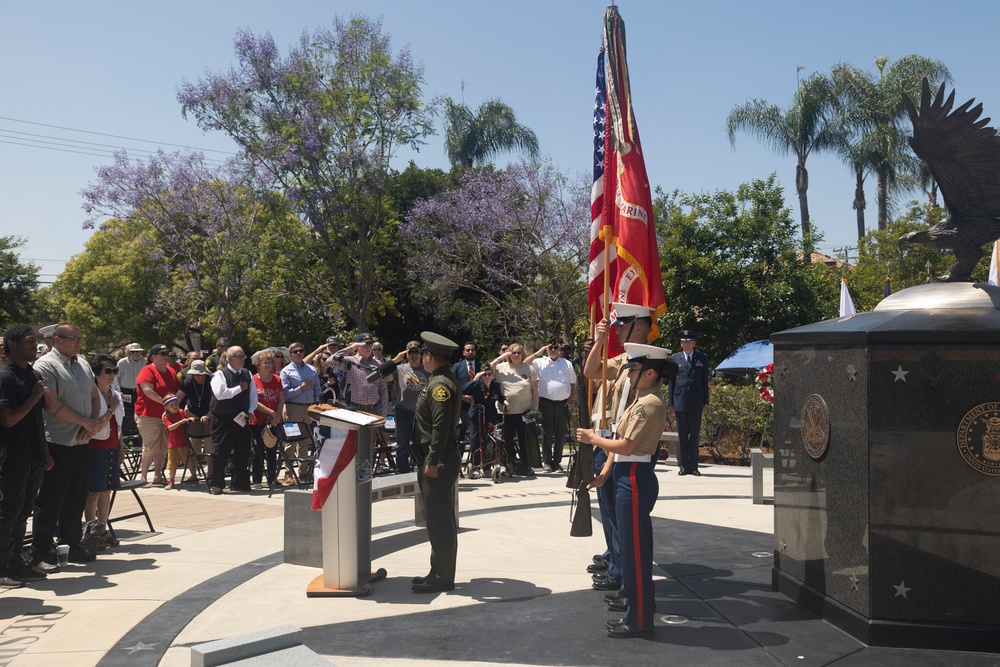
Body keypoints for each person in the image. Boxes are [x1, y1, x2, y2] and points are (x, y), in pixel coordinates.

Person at [578, 342, 674, 639]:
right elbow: (621, 444)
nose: (629, 375)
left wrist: (594, 438)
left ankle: (640, 619)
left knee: (635, 554)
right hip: (625, 473)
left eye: (634, 370)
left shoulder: (649, 404)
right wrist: (606, 472)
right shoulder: (640, 398)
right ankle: (638, 610)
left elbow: (627, 446)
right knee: (633, 552)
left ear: (649, 374)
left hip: (633, 477)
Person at [582, 302, 655, 594]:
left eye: (622, 327)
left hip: (620, 446)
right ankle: (618, 566)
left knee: (624, 518)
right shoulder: (624, 358)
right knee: (610, 512)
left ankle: (624, 575)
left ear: (638, 327)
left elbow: (627, 422)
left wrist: (609, 457)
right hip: (606, 442)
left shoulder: (648, 363)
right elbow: (591, 371)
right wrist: (598, 340)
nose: (618, 332)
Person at [32, 323, 100, 566]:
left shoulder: (82, 363)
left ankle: (72, 545)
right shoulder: (45, 365)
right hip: (57, 442)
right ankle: (41, 551)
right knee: (51, 500)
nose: (79, 343)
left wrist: (91, 423)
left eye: (81, 338)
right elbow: (50, 405)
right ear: (57, 339)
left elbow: (94, 394)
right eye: (74, 339)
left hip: (81, 441)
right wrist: (85, 421)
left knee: (76, 498)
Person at [0, 325, 53, 585]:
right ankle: (1, 568)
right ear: (12, 344)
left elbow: (36, 419)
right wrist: (35, 397)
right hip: (12, 458)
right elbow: (9, 420)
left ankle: (16, 563)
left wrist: (44, 452)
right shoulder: (5, 376)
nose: (35, 346)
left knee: (23, 512)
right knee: (9, 512)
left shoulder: (31, 375)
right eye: (30, 342)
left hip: (32, 456)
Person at [410, 332, 462, 593]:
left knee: (440, 521)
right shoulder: (439, 380)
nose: (422, 359)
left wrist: (431, 460)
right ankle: (437, 571)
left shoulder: (440, 385)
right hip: (438, 457)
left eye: (423, 355)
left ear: (429, 356)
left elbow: (440, 427)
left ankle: (442, 577)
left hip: (438, 459)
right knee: (438, 518)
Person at [84, 354, 124, 551]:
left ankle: (102, 530)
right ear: (96, 374)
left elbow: (119, 425)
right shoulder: (92, 395)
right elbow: (96, 427)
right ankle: (91, 533)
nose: (112, 375)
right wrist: (110, 409)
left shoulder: (115, 394)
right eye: (107, 371)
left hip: (112, 446)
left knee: (107, 490)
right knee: (94, 492)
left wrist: (121, 447)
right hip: (96, 447)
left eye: (114, 371)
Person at [208, 345, 257, 494]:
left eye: (243, 356)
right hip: (223, 419)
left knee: (243, 451)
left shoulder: (247, 373)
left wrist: (250, 411)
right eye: (238, 356)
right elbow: (220, 394)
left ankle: (240, 483)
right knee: (221, 452)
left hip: (241, 418)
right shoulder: (220, 375)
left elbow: (253, 396)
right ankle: (217, 484)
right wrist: (238, 389)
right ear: (229, 359)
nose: (241, 359)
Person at [490, 343, 539, 476]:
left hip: (524, 412)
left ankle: (526, 465)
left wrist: (536, 407)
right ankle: (509, 464)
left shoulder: (528, 368)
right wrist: (502, 357)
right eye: (513, 353)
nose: (516, 355)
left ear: (523, 354)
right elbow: (487, 369)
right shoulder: (500, 367)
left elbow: (535, 389)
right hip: (506, 412)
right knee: (507, 440)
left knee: (524, 441)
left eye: (519, 353)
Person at [134, 344, 179, 486]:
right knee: (150, 446)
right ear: (153, 356)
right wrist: (165, 403)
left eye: (167, 354)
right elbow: (148, 390)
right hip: (148, 415)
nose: (166, 356)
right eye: (162, 354)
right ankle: (143, 477)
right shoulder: (147, 370)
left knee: (163, 446)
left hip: (166, 416)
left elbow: (178, 389)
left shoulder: (171, 371)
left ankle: (158, 476)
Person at [669, 329, 710, 476]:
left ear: (694, 343)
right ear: (680, 344)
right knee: (682, 435)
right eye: (683, 342)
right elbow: (671, 382)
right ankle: (683, 466)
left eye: (689, 341)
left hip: (696, 401)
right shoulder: (675, 358)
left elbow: (705, 380)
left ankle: (694, 466)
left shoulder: (702, 358)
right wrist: (671, 403)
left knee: (694, 435)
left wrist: (706, 401)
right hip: (679, 401)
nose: (686, 344)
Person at [532, 340, 576, 472]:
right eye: (550, 348)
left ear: (559, 349)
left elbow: (573, 382)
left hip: (562, 404)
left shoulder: (566, 363)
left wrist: (570, 398)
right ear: (547, 349)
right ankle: (547, 462)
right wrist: (539, 351)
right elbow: (525, 362)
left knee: (560, 434)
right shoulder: (540, 362)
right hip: (545, 403)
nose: (553, 350)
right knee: (547, 434)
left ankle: (556, 462)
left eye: (555, 347)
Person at [280, 342, 320, 485]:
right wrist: (300, 388)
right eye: (295, 351)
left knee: (305, 442)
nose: (298, 353)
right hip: (293, 408)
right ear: (290, 354)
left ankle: (303, 472)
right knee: (291, 442)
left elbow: (317, 389)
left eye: (300, 350)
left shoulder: (311, 369)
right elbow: (284, 394)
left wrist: (316, 404)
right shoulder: (286, 371)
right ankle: (288, 473)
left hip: (309, 408)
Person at [389, 341, 429, 474]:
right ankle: (402, 472)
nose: (414, 355)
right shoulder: (399, 368)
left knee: (422, 444)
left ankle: (422, 472)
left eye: (416, 352)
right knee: (402, 445)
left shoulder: (427, 369)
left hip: (422, 412)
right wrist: (396, 359)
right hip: (403, 411)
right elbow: (384, 375)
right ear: (406, 354)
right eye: (411, 352)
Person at [329, 334, 388, 416]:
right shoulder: (349, 361)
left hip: (374, 409)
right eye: (364, 345)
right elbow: (330, 361)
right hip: (355, 409)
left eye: (370, 345)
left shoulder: (378, 364)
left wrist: (384, 411)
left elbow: (383, 388)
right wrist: (352, 347)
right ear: (358, 346)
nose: (368, 348)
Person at [463, 365, 504, 478]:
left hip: (490, 414)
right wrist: (475, 378)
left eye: (489, 374)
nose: (487, 377)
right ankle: (475, 466)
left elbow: (500, 396)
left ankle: (488, 466)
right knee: (476, 438)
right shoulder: (476, 384)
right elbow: (463, 390)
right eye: (484, 374)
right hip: (478, 414)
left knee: (491, 439)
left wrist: (505, 401)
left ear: (492, 375)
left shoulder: (495, 385)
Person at [250, 350, 284, 489]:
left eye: (270, 363)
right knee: (257, 450)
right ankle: (257, 480)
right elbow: (254, 401)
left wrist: (277, 415)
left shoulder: (277, 379)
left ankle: (272, 479)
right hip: (257, 421)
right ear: (258, 365)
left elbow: (281, 399)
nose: (268, 365)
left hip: (273, 422)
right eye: (265, 363)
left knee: (272, 451)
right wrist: (271, 412)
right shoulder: (253, 380)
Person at [176, 359, 213, 478]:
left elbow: (218, 401)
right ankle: (193, 474)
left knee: (209, 447)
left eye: (200, 374)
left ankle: (211, 473)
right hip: (193, 415)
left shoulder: (211, 381)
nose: (197, 376)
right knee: (193, 447)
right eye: (195, 374)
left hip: (209, 414)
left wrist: (208, 415)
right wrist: (180, 412)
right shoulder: (188, 381)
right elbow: (177, 399)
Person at [161, 394, 198, 489]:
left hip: (184, 442)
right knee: (172, 464)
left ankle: (194, 476)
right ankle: (171, 481)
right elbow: (170, 427)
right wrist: (181, 422)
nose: (174, 407)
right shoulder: (167, 416)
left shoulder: (181, 412)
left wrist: (190, 419)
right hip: (173, 444)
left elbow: (187, 419)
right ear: (166, 407)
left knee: (189, 461)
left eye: (176, 404)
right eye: (171, 405)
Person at [452, 342, 481, 444]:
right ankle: (459, 457)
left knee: (477, 433)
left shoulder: (480, 366)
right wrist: (462, 397)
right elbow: (453, 385)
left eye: (472, 350)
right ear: (463, 352)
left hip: (477, 404)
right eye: (468, 350)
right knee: (460, 433)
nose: (470, 352)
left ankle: (475, 457)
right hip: (462, 405)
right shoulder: (457, 366)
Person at [116, 343, 146, 436]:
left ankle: (138, 433)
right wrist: (118, 390)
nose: (137, 354)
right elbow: (116, 378)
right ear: (130, 353)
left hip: (139, 391)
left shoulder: (144, 362)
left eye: (139, 352)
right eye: (134, 352)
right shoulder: (122, 362)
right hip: (125, 391)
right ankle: (125, 435)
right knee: (126, 414)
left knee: (139, 413)